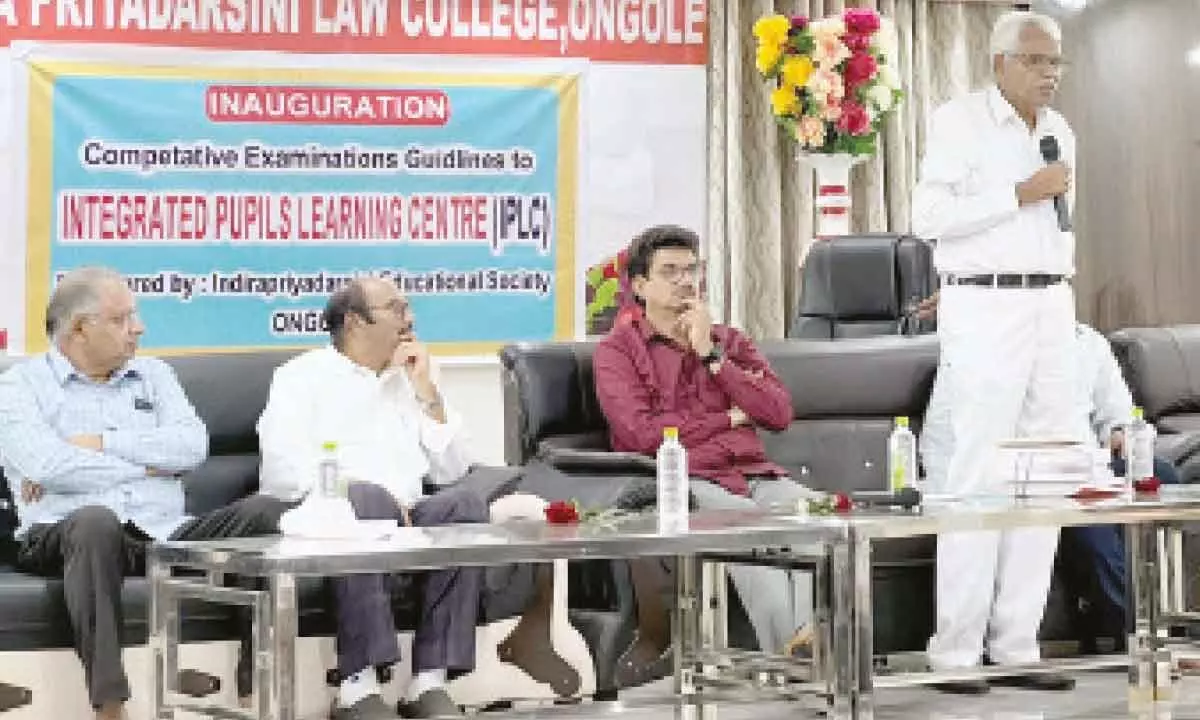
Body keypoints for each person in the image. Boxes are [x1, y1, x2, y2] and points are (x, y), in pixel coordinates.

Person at [256, 277, 572, 720]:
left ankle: (429, 681)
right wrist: (359, 494)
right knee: (367, 500)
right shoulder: (301, 377)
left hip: (410, 517)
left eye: (408, 308)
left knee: (463, 505)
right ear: (354, 322)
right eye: (397, 309)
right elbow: (280, 471)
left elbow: (453, 469)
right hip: (337, 516)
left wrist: (427, 392)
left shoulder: (407, 379)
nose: (411, 319)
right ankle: (357, 686)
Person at [0, 267, 290, 720]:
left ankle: (256, 688)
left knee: (265, 512)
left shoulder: (153, 374)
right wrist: (150, 465)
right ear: (80, 328)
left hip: (163, 533)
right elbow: (46, 465)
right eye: (122, 319)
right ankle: (110, 706)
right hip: (66, 533)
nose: (139, 328)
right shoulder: (20, 386)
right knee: (96, 521)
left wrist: (100, 443)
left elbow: (192, 448)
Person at [911, 10, 1083, 693]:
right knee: (979, 467)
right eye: (1038, 61)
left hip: (1050, 302)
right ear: (1000, 63)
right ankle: (954, 653)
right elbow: (928, 219)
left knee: (1044, 468)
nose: (1050, 75)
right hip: (984, 303)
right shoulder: (960, 122)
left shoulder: (1060, 131)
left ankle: (1017, 646)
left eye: (1057, 64)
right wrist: (1017, 193)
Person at [592, 224, 814, 657]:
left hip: (753, 473)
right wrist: (728, 416)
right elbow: (641, 435)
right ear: (640, 285)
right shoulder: (618, 352)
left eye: (691, 270)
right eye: (670, 272)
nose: (684, 282)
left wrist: (712, 356)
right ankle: (793, 663)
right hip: (684, 481)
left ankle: (810, 649)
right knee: (748, 528)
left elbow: (778, 413)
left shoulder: (729, 341)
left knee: (820, 523)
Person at [923, 321, 1180, 655]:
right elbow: (942, 432)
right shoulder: (980, 344)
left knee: (1164, 477)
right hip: (1019, 474)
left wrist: (1121, 435)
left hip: (1087, 461)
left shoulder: (1087, 343)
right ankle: (1139, 634)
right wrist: (949, 490)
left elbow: (1118, 415)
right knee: (1096, 534)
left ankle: (1177, 617)